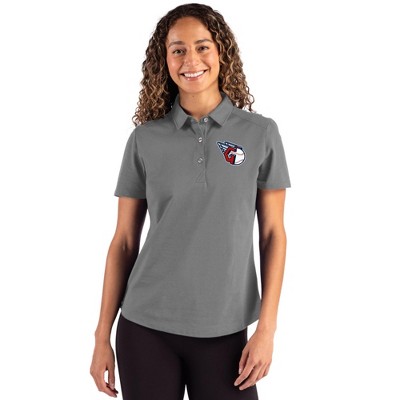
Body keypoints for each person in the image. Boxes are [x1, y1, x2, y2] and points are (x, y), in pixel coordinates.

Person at [90, 3, 291, 399]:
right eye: (178, 50)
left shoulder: (260, 134)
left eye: (202, 47)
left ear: (221, 52)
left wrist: (266, 329)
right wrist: (101, 336)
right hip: (145, 327)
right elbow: (124, 242)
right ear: (164, 60)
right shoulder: (145, 139)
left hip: (226, 331)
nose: (191, 60)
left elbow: (272, 234)